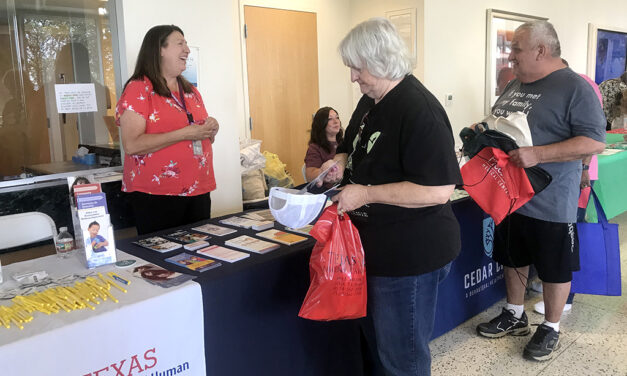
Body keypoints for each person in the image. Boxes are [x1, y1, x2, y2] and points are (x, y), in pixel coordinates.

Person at [320, 18, 462, 376]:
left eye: (357, 66)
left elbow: (439, 189)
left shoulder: (419, 109)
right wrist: (338, 164)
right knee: (378, 352)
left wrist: (365, 194)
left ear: (381, 59)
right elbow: (352, 148)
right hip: (373, 254)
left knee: (402, 361)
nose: (353, 76)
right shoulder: (371, 101)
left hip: (409, 258)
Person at [475, 21, 606, 362]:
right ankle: (514, 314)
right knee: (512, 258)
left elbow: (594, 141)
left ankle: (550, 326)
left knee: (554, 267)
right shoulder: (516, 83)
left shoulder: (575, 88)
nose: (511, 55)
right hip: (510, 196)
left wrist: (539, 154)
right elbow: (501, 122)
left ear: (540, 50)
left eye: (516, 48)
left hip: (551, 202)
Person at [116, 25, 219, 235]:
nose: (187, 49)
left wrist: (210, 130)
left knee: (199, 257)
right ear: (159, 49)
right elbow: (132, 144)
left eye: (186, 43)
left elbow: (199, 137)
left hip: (198, 187)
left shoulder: (190, 90)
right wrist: (185, 133)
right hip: (158, 194)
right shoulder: (139, 88)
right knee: (165, 260)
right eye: (180, 43)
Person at [532, 58, 604, 315]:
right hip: (559, 176)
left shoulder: (580, 86)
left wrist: (584, 169)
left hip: (577, 175)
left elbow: (590, 137)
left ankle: (568, 297)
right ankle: (551, 284)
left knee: (568, 236)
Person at [304, 106, 343, 185]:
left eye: (337, 117)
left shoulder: (344, 143)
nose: (336, 122)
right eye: (330, 119)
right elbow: (309, 175)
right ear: (321, 123)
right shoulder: (315, 148)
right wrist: (322, 172)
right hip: (328, 192)